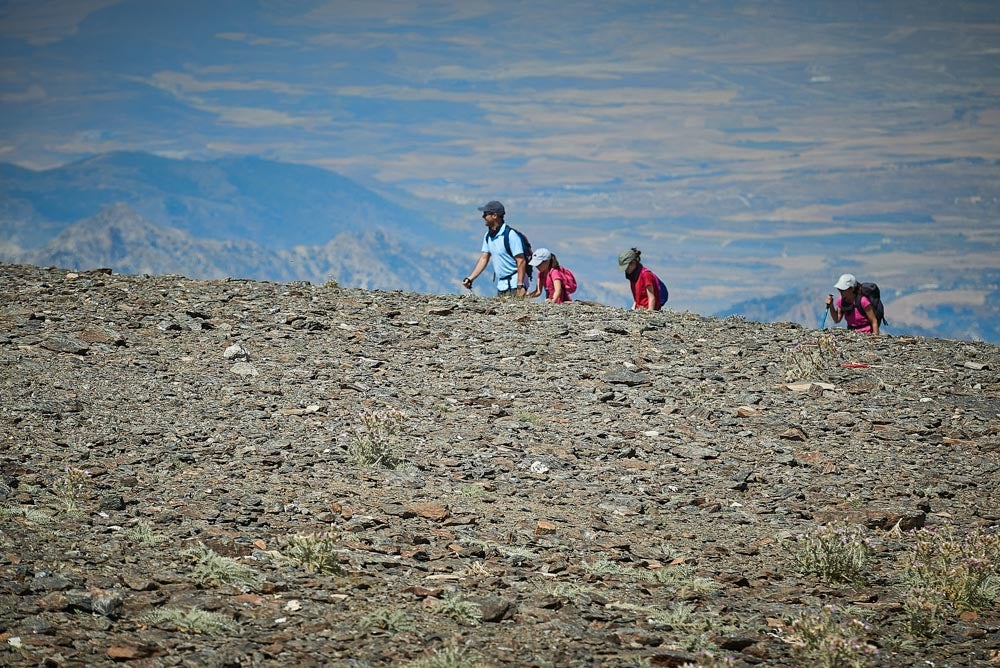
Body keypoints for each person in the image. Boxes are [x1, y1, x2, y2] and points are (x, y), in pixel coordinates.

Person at [461, 200, 528, 298]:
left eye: (485, 214)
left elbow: (521, 261)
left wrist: (520, 285)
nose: (483, 216)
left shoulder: (510, 235)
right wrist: (471, 278)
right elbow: (484, 258)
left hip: (515, 285)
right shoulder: (488, 236)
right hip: (502, 286)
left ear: (494, 216)